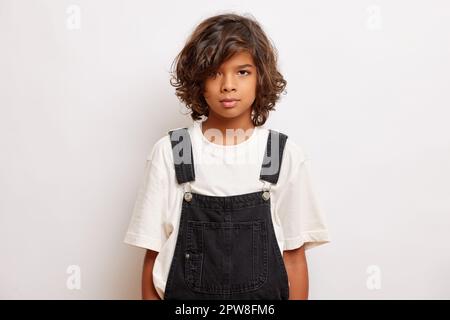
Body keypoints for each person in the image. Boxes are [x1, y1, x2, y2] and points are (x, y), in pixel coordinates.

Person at [124, 12, 330, 300]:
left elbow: (294, 257)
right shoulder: (172, 152)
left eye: (242, 72)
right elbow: (152, 255)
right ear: (197, 79)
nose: (228, 85)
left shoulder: (280, 154)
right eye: (214, 72)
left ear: (261, 77)